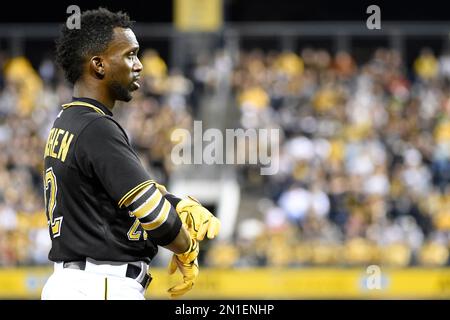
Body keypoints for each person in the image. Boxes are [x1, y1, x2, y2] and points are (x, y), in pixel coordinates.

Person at [41, 7, 220, 300]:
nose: (138, 65)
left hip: (79, 282)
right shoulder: (97, 126)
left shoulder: (70, 120)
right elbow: (155, 216)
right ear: (98, 65)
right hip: (101, 285)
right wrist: (186, 248)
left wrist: (174, 203)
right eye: (129, 55)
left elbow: (117, 195)